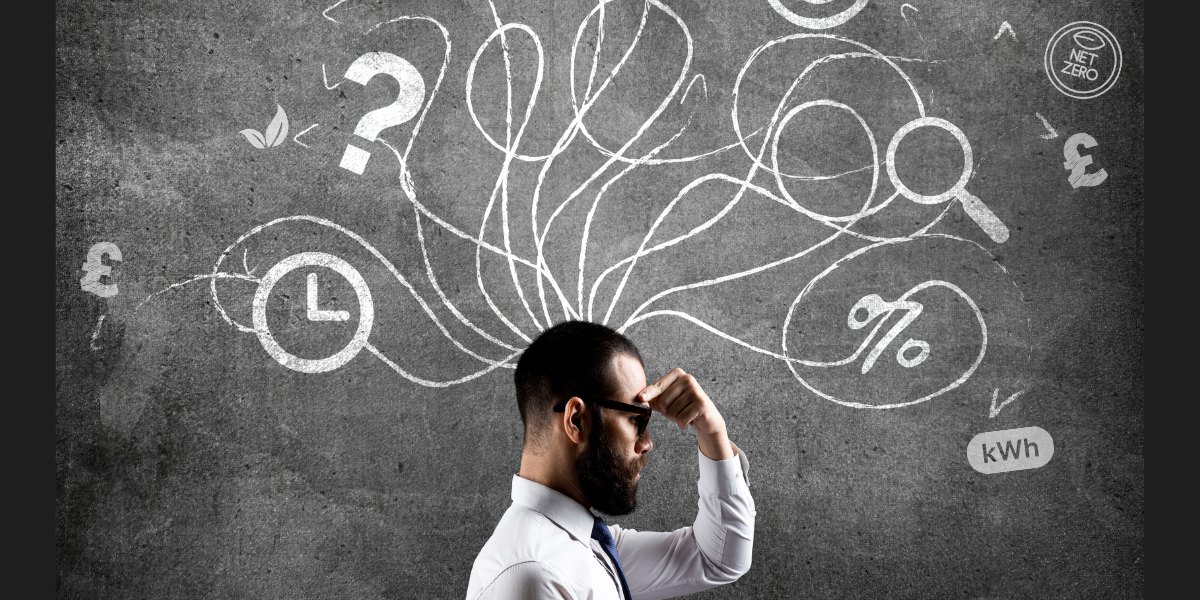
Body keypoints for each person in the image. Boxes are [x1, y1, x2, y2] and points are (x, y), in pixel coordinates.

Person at [466, 321, 755, 600]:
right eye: (635, 420)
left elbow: (717, 558)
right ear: (576, 420)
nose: (647, 443)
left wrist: (713, 433)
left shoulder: (586, 544)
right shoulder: (537, 574)